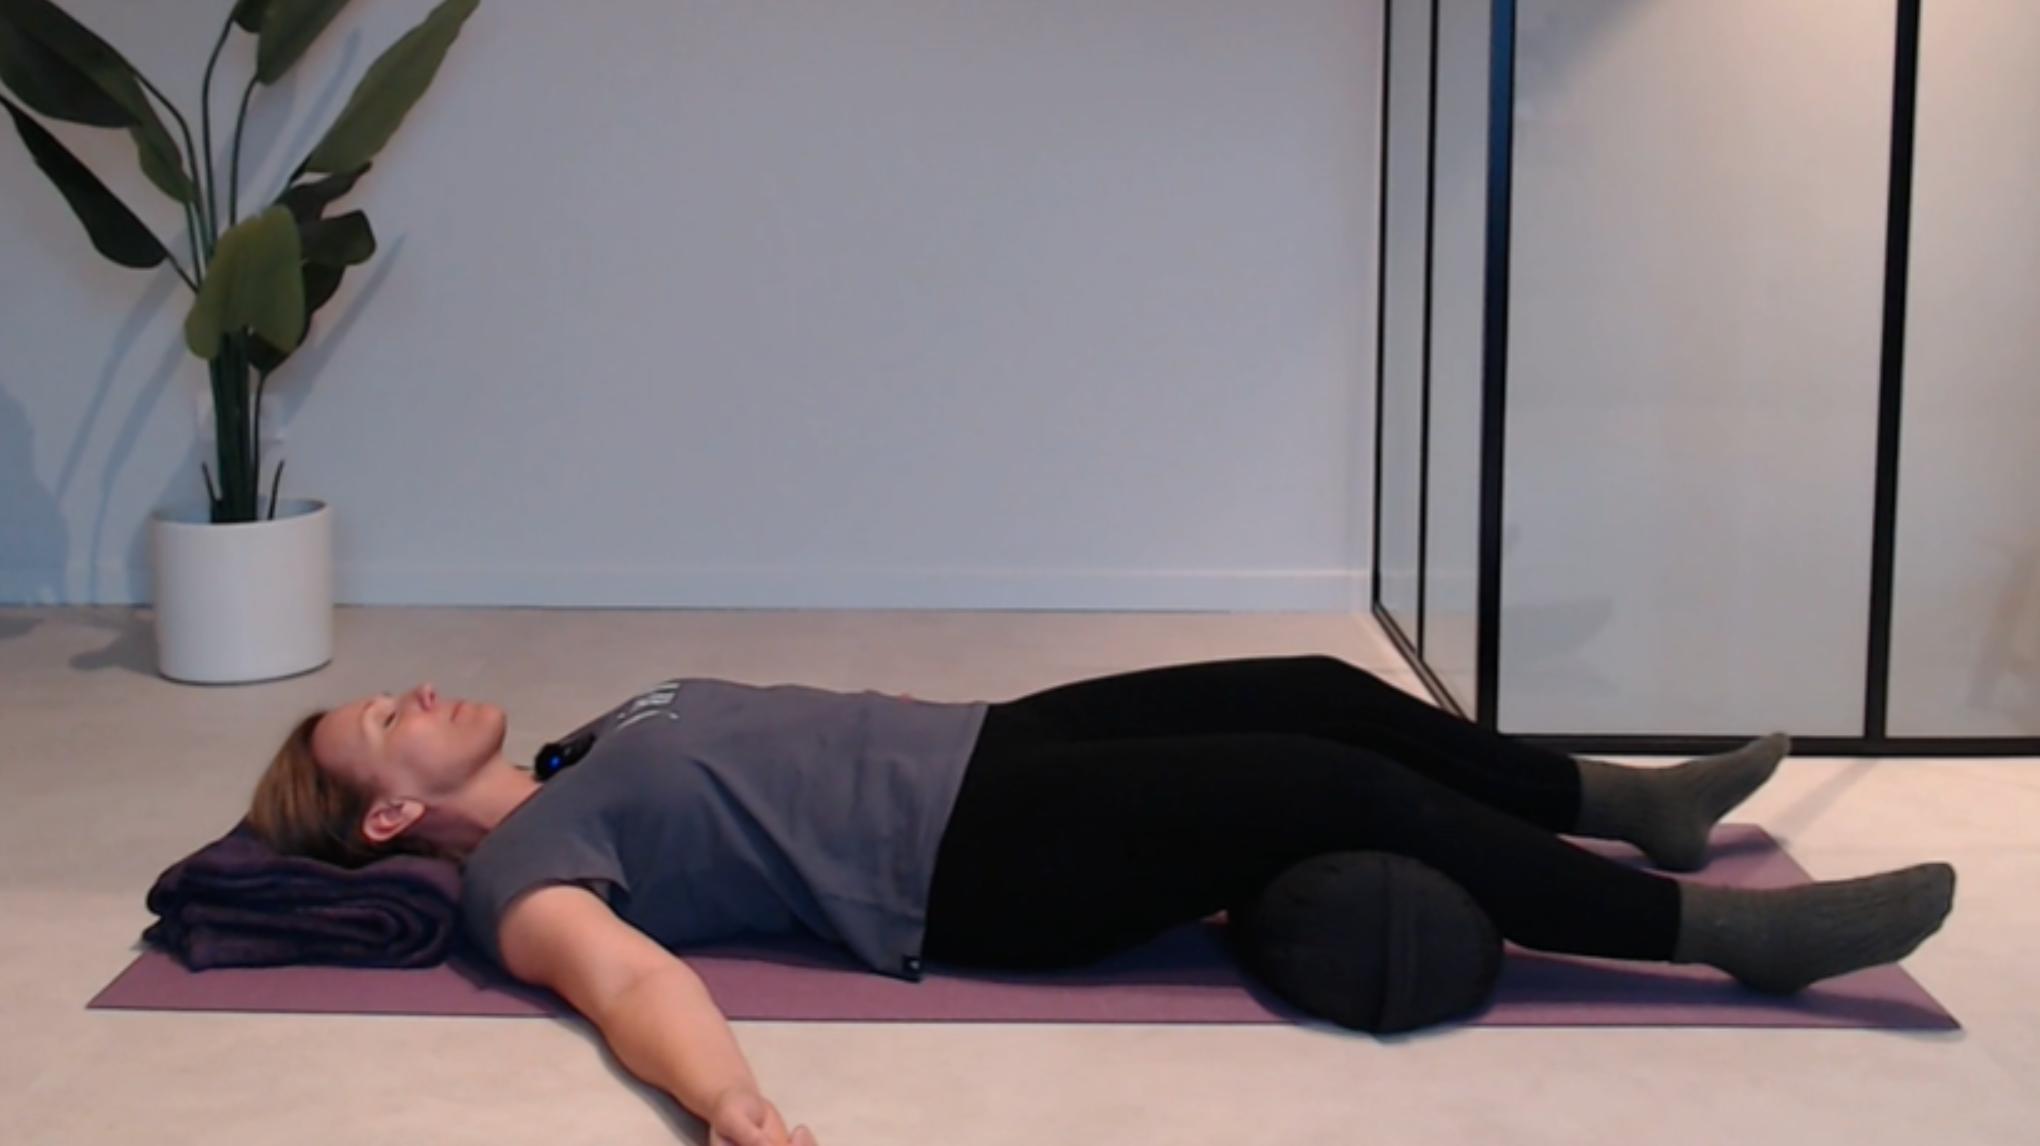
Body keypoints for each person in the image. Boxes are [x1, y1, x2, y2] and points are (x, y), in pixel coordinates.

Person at [247, 654, 1957, 1146]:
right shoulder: (524, 875)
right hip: (974, 861)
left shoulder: (575, 746)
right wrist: (729, 1102)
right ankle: (1727, 943)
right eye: (388, 717)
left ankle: (1626, 804)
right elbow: (625, 983)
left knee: (1317, 686)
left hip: (988, 744)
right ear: (393, 808)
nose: (416, 688)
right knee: (1328, 782)